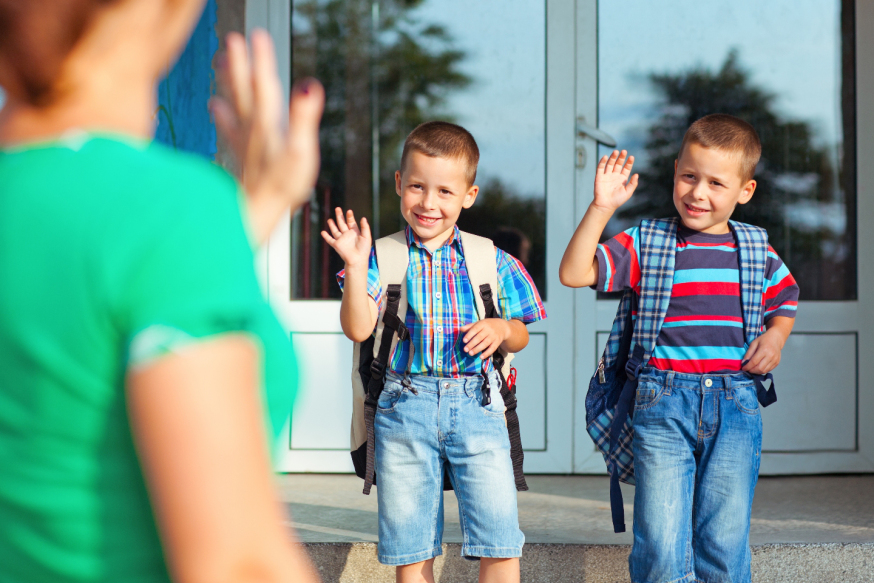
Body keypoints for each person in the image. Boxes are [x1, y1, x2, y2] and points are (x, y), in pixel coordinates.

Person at [0, 1, 324, 581]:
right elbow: (237, 564)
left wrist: (250, 214)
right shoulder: (170, 211)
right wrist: (206, 224)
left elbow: (77, 309)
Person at [559, 114, 799, 583]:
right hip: (661, 403)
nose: (698, 192)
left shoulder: (755, 248)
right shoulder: (647, 242)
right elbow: (574, 272)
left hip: (736, 406)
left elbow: (785, 299)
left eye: (715, 182)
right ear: (675, 172)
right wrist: (601, 208)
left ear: (744, 191)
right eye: (689, 176)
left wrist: (776, 336)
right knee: (661, 541)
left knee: (724, 540)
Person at [321, 121, 546, 583]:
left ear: (469, 195)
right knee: (412, 549)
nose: (429, 202)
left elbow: (522, 333)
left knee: (499, 540)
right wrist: (355, 264)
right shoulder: (380, 256)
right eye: (418, 187)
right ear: (400, 184)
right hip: (403, 408)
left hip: (479, 406)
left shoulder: (491, 258)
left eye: (445, 191)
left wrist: (502, 327)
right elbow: (357, 328)